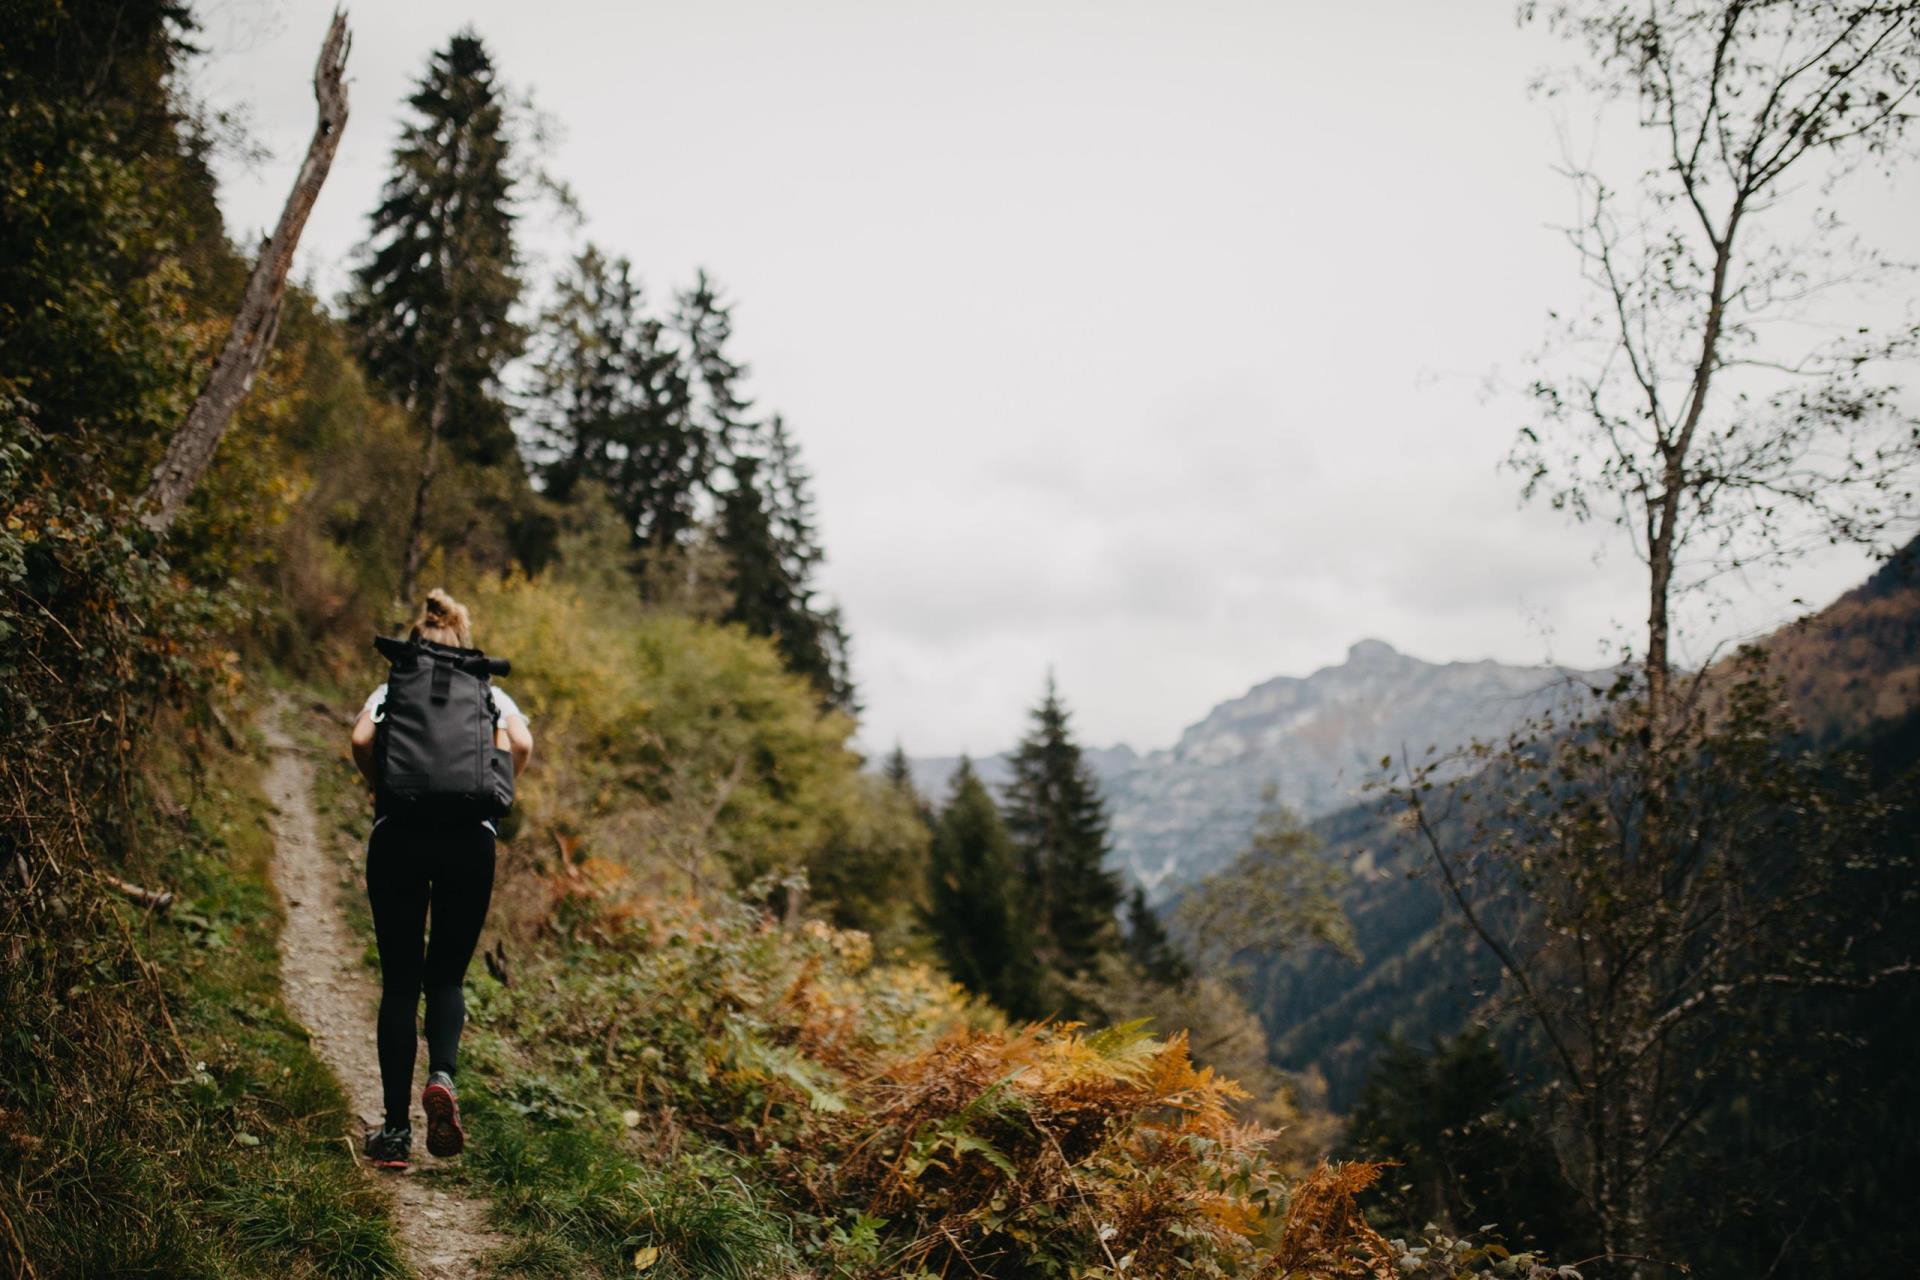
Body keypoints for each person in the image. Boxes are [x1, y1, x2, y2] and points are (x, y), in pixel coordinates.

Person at [348, 589, 532, 1170]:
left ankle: (397, 1135)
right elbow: (522, 743)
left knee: (401, 982)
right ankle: (444, 1076)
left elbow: (359, 739)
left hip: (399, 832)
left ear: (418, 639)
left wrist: (376, 785)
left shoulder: (393, 686)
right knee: (446, 976)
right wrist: (501, 784)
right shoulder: (489, 692)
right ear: (463, 640)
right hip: (470, 841)